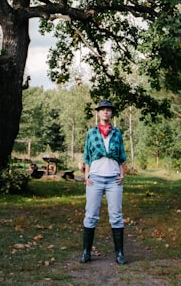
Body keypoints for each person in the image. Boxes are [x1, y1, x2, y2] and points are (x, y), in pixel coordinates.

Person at [79, 99, 128, 265]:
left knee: (116, 216)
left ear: (111, 113)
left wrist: (123, 173)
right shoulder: (91, 133)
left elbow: (122, 156)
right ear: (98, 113)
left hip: (114, 179)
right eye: (103, 110)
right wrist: (87, 175)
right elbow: (87, 155)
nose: (106, 112)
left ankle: (120, 253)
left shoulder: (117, 133)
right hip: (95, 179)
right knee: (91, 215)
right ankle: (86, 252)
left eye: (108, 110)